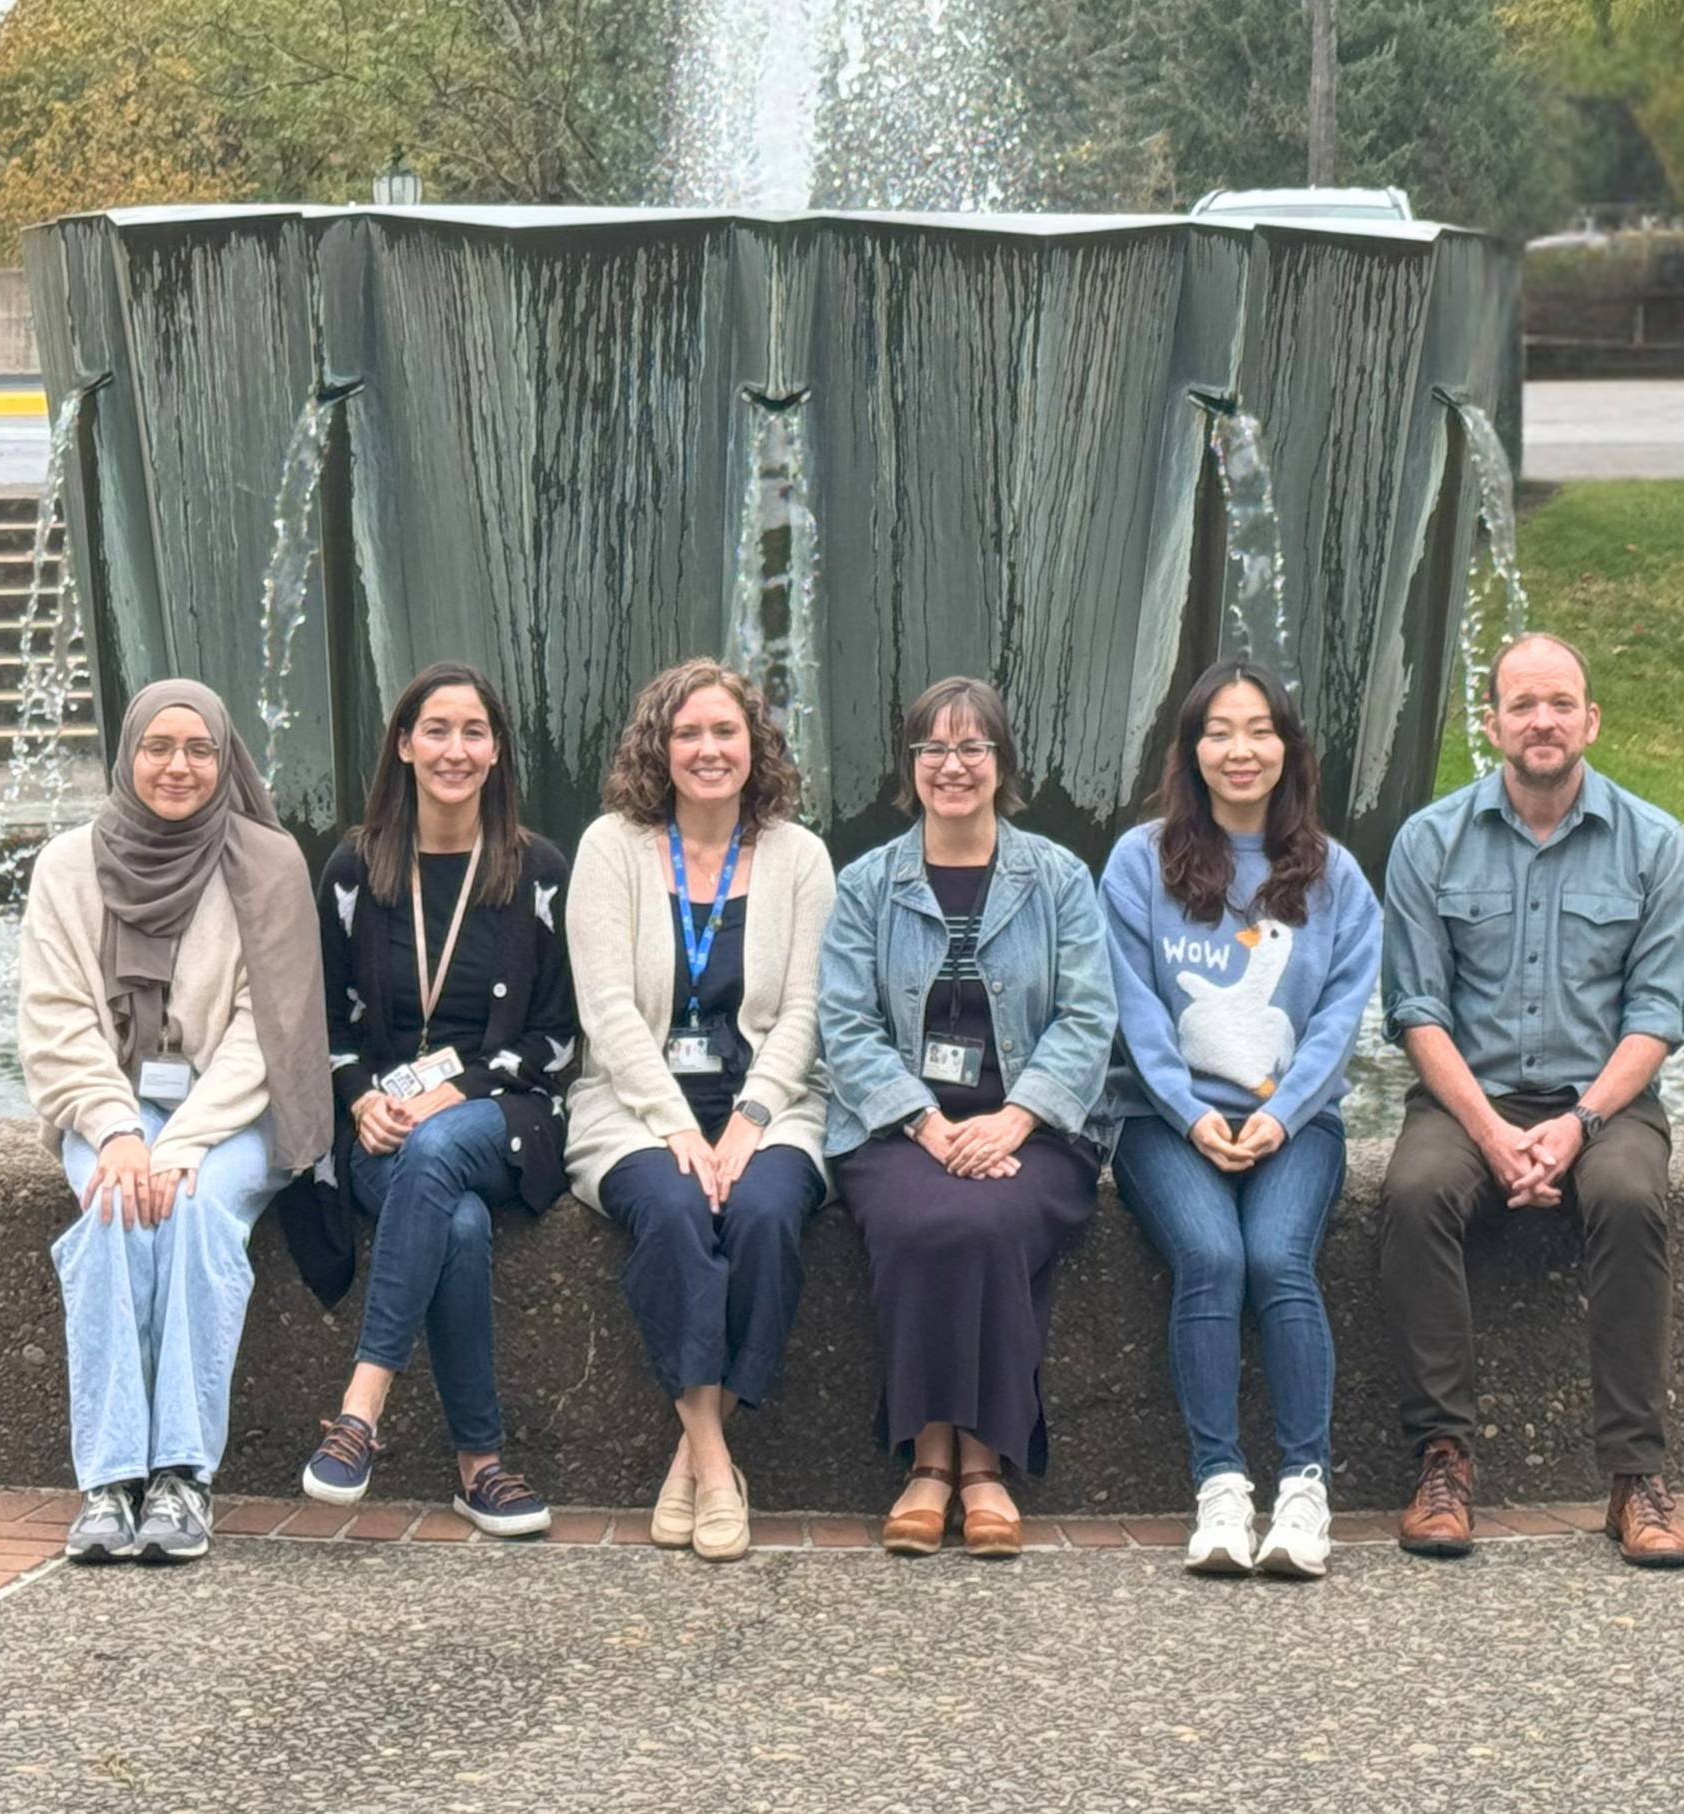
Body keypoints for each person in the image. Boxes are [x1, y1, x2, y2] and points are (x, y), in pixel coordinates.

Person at [1377, 631, 1684, 1567]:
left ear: (1590, 719)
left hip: (1605, 1102)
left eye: (1559, 703)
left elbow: (1657, 1014)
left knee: (1630, 1195)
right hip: (1464, 1097)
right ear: (1492, 725)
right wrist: (1487, 1129)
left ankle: (1634, 1477)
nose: (1542, 721)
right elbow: (1415, 1010)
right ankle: (1442, 1462)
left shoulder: (1653, 843)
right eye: (1522, 705)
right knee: (1412, 1194)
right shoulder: (1428, 841)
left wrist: (1578, 1124)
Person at [19, 679, 331, 1565]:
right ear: (127, 755)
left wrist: (182, 1142)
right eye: (158, 747)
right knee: (115, 1209)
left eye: (199, 750)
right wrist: (118, 1131)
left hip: (231, 1112)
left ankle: (183, 1477)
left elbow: (262, 1032)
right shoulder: (66, 867)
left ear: (225, 759)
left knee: (192, 1212)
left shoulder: (267, 866)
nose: (178, 767)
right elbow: (57, 1020)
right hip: (107, 1105)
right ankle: (110, 1481)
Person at [818, 677, 1117, 1558]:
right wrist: (924, 1121)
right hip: (899, 1129)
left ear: (1000, 763)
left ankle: (969, 1464)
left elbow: (1088, 1016)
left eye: (971, 748)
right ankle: (936, 1458)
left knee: (986, 1222)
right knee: (922, 1221)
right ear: (909, 767)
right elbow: (845, 1023)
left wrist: (1017, 1119)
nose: (952, 766)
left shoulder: (1058, 879)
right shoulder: (867, 885)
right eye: (932, 749)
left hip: (1035, 1126)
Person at [1102, 658, 1380, 1578]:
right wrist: (1186, 1114)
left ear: (1287, 748)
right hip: (1162, 1123)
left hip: (1293, 1127)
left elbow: (1340, 1015)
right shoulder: (1141, 862)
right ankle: (1220, 1486)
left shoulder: (1333, 875)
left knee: (1276, 1259)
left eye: (1258, 729)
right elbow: (1133, 1005)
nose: (1239, 749)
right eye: (1217, 731)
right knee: (1212, 1257)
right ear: (1189, 750)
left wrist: (1286, 1112)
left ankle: (1304, 1488)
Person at [295, 662, 575, 1537]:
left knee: (441, 1145)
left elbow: (558, 1042)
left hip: (507, 1117)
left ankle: (359, 1410)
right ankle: (480, 1465)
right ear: (405, 746)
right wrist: (355, 1100)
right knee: (450, 1220)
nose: (456, 749)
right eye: (438, 731)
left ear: (495, 754)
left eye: (474, 732)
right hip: (385, 1131)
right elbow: (325, 1027)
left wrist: (458, 1088)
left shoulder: (535, 870)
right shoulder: (354, 869)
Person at [566, 659, 836, 1563]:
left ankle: (687, 1451)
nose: (708, 750)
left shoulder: (799, 856)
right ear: (659, 747)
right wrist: (679, 1128)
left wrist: (749, 1121)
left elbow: (805, 1010)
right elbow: (606, 1009)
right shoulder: (612, 847)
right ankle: (718, 1466)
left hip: (773, 1104)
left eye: (725, 732)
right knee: (678, 1211)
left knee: (761, 1212)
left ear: (754, 746)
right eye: (688, 734)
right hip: (634, 1106)